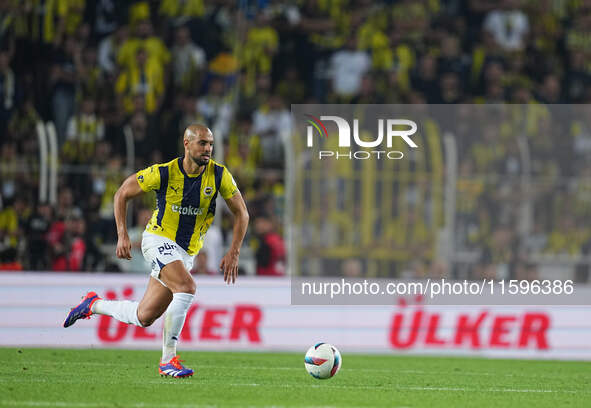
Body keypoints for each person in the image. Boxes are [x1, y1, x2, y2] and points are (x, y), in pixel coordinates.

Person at [63, 124, 249, 378]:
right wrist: (122, 234)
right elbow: (122, 194)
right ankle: (168, 360)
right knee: (186, 287)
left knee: (144, 316)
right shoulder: (164, 172)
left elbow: (242, 213)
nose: (207, 149)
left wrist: (235, 251)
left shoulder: (219, 175)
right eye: (202, 143)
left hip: (186, 253)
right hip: (157, 239)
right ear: (187, 143)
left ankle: (93, 304)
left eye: (210, 144)